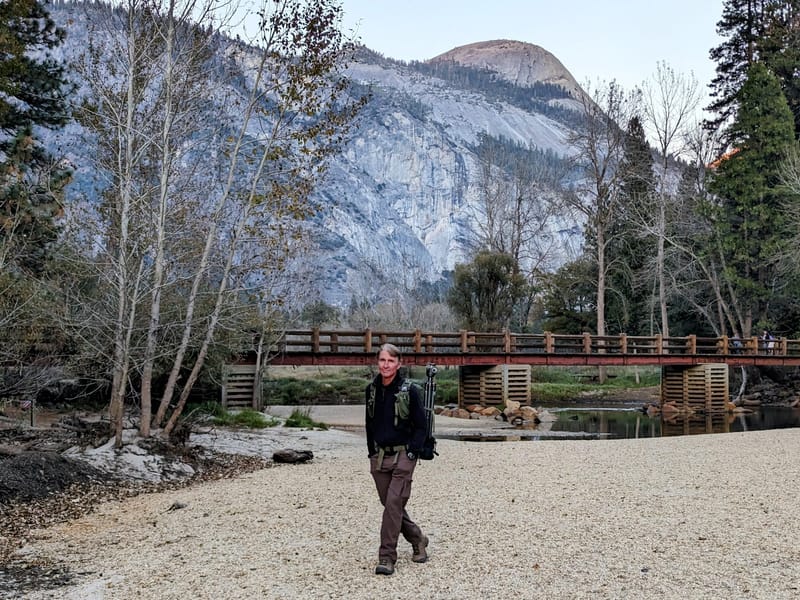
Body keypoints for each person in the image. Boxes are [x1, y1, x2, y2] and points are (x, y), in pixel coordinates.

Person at [365, 343, 429, 576]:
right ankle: (417, 538)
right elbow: (369, 423)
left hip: (404, 454)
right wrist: (371, 453)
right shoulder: (371, 390)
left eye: (391, 361)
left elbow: (422, 426)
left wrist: (412, 452)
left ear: (399, 364)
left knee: (393, 504)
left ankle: (386, 557)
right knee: (391, 505)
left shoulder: (410, 390)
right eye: (382, 360)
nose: (386, 365)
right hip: (379, 456)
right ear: (377, 362)